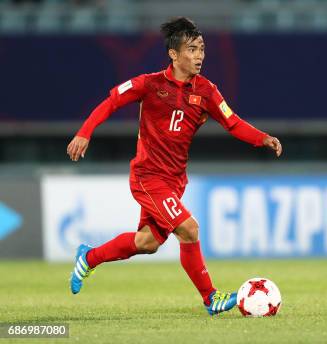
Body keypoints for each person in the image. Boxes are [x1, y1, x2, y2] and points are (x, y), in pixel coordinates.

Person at [66, 17, 282, 315]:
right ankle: (211, 298)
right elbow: (111, 102)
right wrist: (84, 132)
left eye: (202, 49)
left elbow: (232, 122)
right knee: (189, 229)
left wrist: (263, 138)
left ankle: (88, 258)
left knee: (146, 242)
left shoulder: (206, 90)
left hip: (175, 180)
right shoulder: (149, 84)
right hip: (148, 176)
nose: (199, 56)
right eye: (192, 49)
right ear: (174, 54)